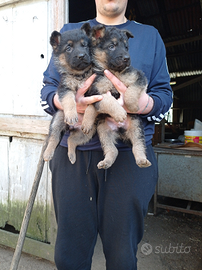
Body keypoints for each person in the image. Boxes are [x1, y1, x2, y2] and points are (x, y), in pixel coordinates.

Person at [40, 0, 173, 269]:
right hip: (74, 160)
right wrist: (68, 102)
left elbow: (164, 95)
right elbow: (47, 92)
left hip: (128, 159)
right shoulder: (75, 32)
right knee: (69, 255)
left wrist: (141, 103)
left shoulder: (149, 36)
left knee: (122, 256)